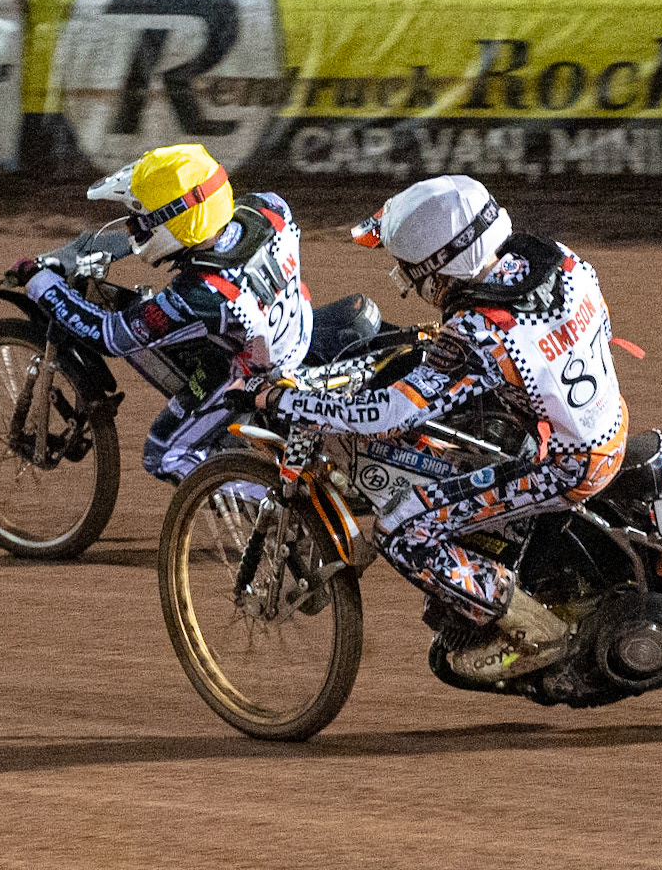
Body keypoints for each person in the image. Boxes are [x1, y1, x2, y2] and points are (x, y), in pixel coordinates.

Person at [254, 174, 629, 684]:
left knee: (402, 530)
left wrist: (291, 401)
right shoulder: (558, 261)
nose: (409, 284)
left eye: (411, 272)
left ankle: (535, 630)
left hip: (566, 465)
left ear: (441, 269)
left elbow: (391, 413)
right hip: (600, 421)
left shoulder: (480, 331)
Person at [10, 143, 312, 483]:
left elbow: (110, 336)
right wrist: (99, 246)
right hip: (295, 329)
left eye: (140, 222)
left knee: (163, 454)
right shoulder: (268, 207)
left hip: (247, 370)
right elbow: (185, 220)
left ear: (174, 223)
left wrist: (41, 284)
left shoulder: (198, 294)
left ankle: (272, 497)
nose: (132, 230)